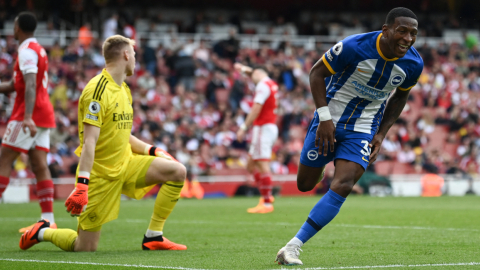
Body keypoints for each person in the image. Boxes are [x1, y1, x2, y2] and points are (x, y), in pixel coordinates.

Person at [275, 7, 423, 265]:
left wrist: (381, 134)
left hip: (364, 128)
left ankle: (293, 246)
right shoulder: (354, 46)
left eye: (413, 33)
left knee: (343, 184)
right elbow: (316, 73)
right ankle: (320, 166)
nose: (408, 39)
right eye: (402, 31)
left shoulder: (413, 63)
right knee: (305, 185)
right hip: (328, 121)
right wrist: (323, 117)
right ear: (386, 30)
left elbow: (400, 96)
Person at [20, 35, 187, 252]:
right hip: (100, 175)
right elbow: (89, 141)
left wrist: (153, 150)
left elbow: (123, 134)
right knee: (84, 248)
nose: (136, 59)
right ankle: (42, 231)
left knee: (177, 171)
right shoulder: (97, 91)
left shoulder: (124, 89)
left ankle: (153, 236)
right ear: (126, 55)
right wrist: (82, 185)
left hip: (126, 164)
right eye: (134, 54)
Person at [0, 12, 57, 233]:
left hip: (28, 114)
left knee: (4, 159)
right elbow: (18, 85)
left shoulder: (26, 51)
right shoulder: (39, 50)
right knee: (39, 164)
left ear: (18, 28)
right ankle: (48, 219)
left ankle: (48, 218)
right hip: (44, 114)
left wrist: (27, 117)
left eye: (14, 25)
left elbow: (31, 85)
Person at [234, 63, 278, 214]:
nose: (251, 80)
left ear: (258, 73)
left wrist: (244, 127)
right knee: (250, 165)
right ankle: (267, 196)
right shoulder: (271, 84)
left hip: (263, 128)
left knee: (262, 164)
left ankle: (266, 203)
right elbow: (254, 72)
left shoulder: (262, 85)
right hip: (269, 127)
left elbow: (256, 107)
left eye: (252, 77)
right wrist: (243, 69)